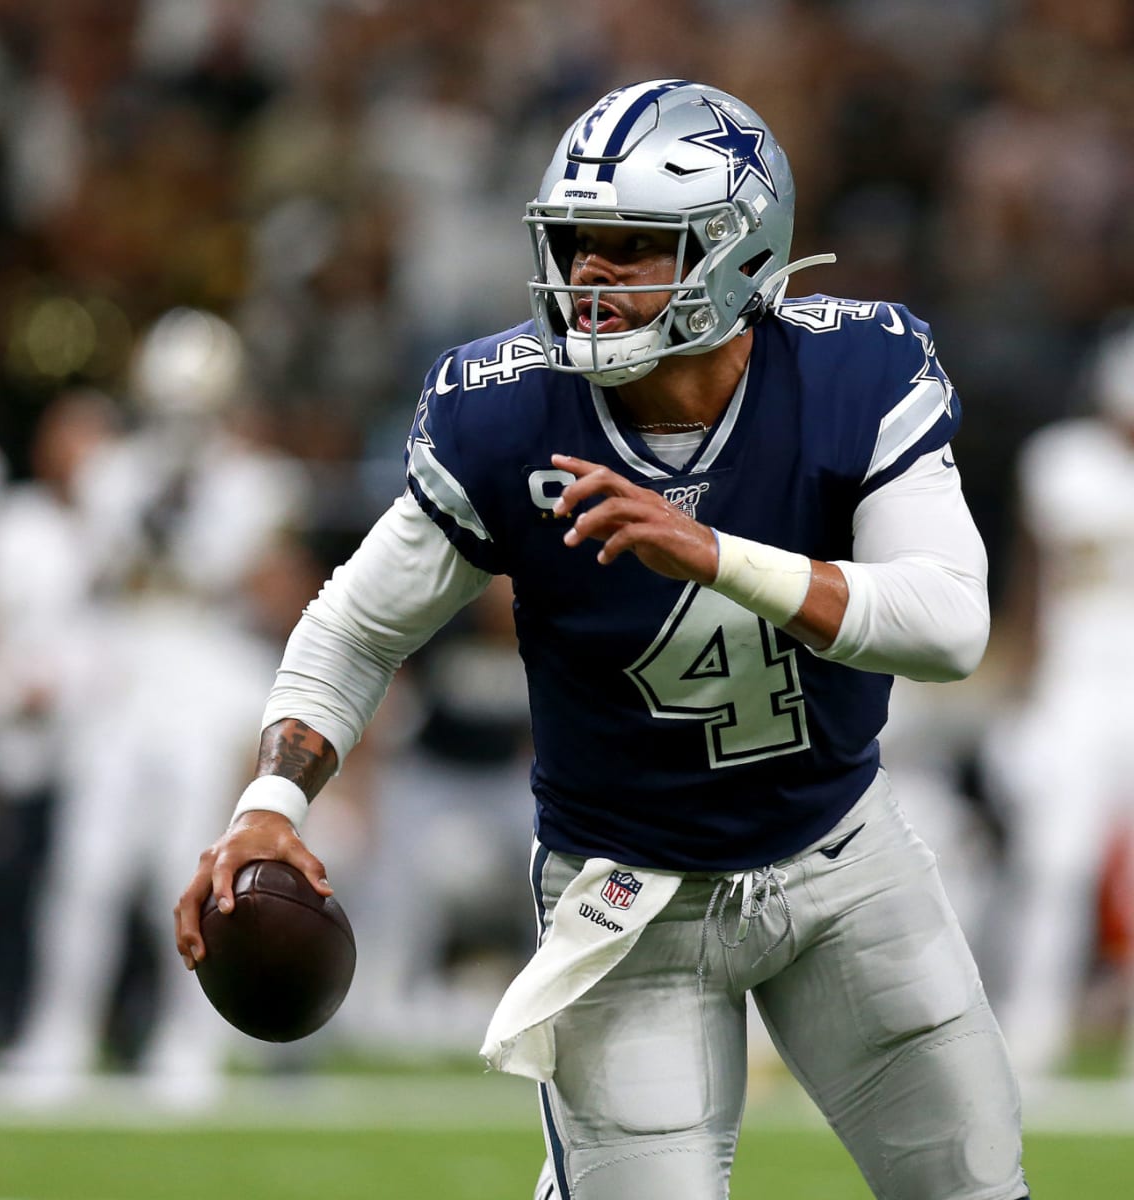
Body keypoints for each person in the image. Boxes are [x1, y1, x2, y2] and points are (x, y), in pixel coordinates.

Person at [176, 80, 1028, 1199]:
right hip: (627, 897)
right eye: (576, 244)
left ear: (738, 254)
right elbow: (353, 628)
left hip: (839, 864)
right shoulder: (509, 411)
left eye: (632, 246)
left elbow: (948, 624)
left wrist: (712, 551)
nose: (588, 276)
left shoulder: (853, 374)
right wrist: (268, 808)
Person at [982, 314, 1134, 1079]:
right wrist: (1020, 681)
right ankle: (1032, 1031)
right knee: (1054, 860)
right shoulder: (1064, 461)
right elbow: (1032, 579)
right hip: (1075, 685)